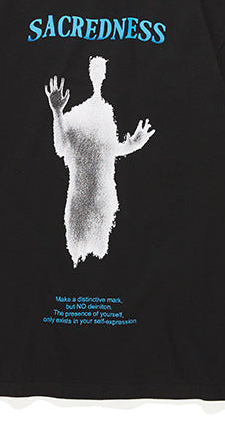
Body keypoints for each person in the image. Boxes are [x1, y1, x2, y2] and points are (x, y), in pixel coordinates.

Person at [45, 56, 155, 267]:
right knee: (76, 261)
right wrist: (57, 113)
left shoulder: (107, 113)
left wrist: (133, 144)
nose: (99, 75)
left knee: (104, 262)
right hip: (79, 202)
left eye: (102, 70)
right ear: (88, 73)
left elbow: (109, 150)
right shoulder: (77, 114)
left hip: (104, 204)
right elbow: (61, 147)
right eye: (95, 70)